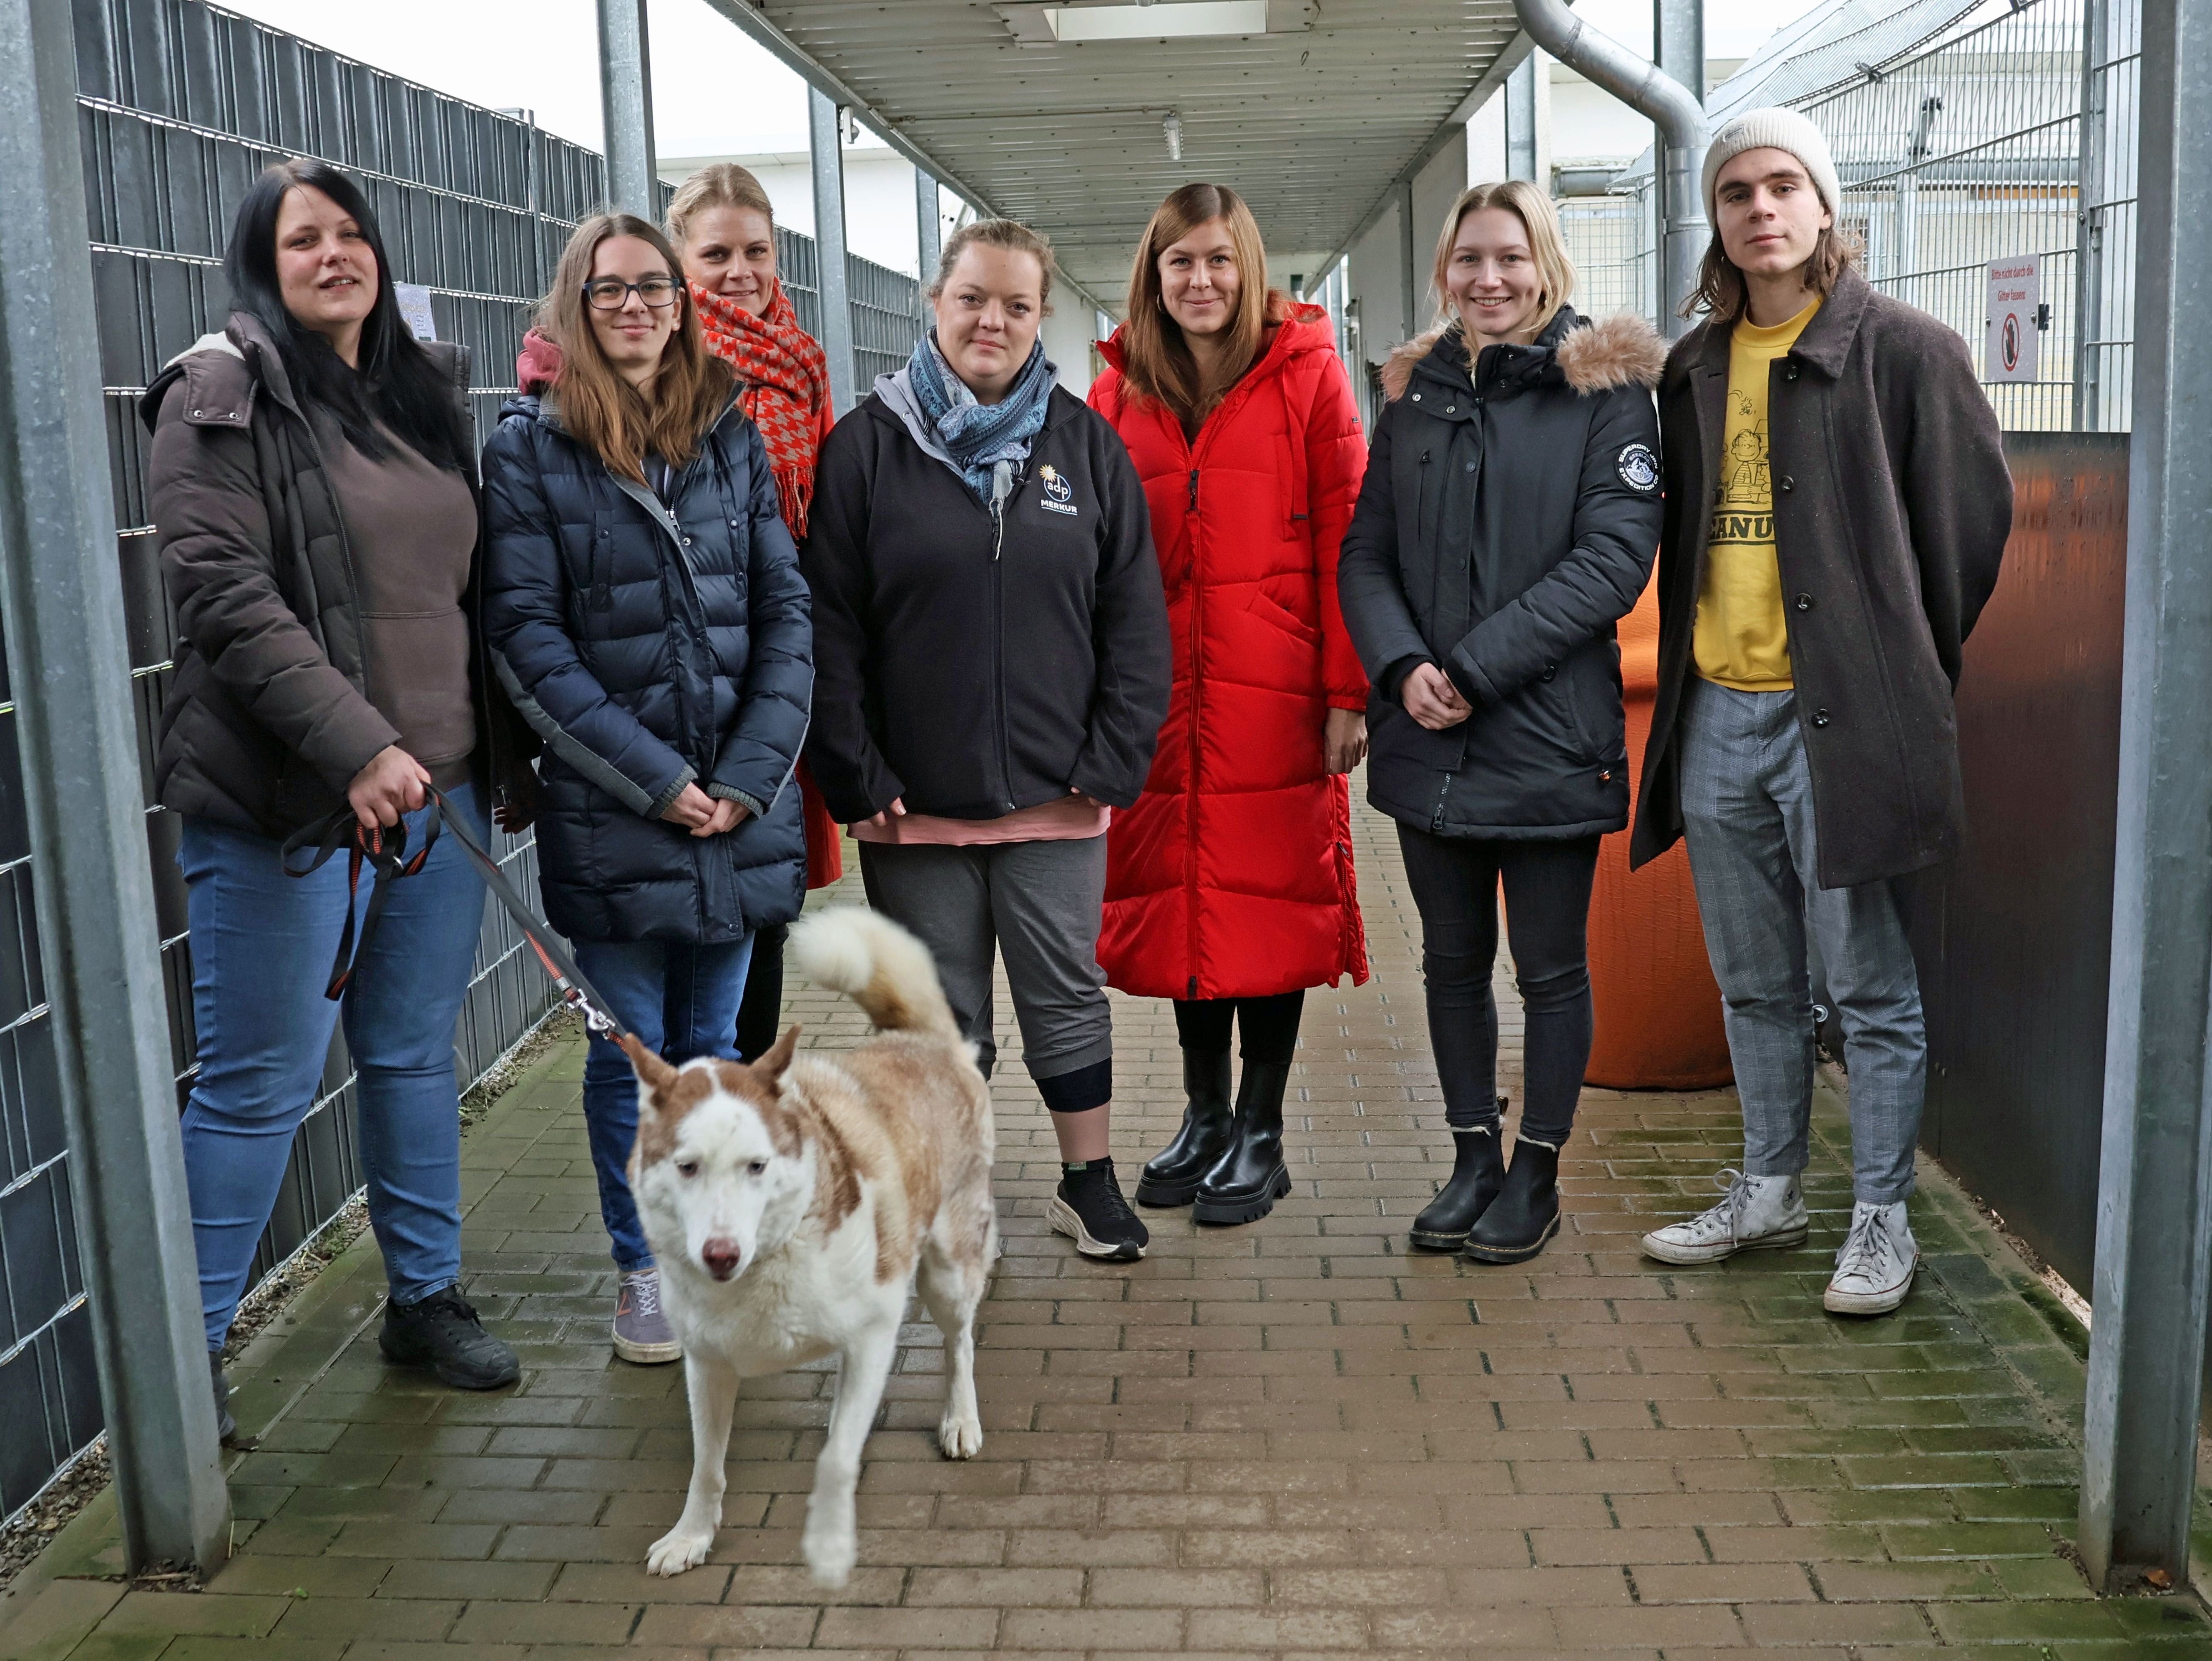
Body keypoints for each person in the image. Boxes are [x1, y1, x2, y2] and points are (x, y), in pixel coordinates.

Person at [144, 158, 533, 1436]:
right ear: (263, 261)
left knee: (416, 1053)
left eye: (351, 234)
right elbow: (222, 596)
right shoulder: (219, 393)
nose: (334, 255)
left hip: (440, 794)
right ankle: (183, 1372)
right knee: (258, 1081)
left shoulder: (416, 395)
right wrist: (360, 746)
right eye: (302, 239)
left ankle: (424, 1302)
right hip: (289, 804)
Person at [1632, 111, 2011, 1315]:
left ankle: (1882, 1219)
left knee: (1868, 984)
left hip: (1835, 720)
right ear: (1718, 219)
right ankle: (1770, 1187)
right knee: (1752, 978)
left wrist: (1884, 663)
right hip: (1717, 719)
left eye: (1783, 185)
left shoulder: (1904, 351)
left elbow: (1967, 533)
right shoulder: (1692, 366)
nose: (1760, 209)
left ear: (1824, 204)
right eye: (1736, 191)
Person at [805, 219, 1172, 1264]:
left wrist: (1112, 759)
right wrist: (856, 770)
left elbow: (1135, 619)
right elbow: (830, 625)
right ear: (936, 301)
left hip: (1058, 794)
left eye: (1016, 305)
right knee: (936, 1013)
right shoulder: (866, 447)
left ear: (1041, 316)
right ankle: (951, 1191)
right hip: (909, 803)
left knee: (1065, 988)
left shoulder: (1084, 443)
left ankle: (1086, 1182)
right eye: (973, 298)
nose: (993, 321)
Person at [482, 213, 812, 1362]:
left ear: (681, 304)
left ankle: (720, 1251)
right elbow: (527, 640)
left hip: (737, 810)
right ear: (577, 302)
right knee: (631, 1056)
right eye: (611, 289)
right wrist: (658, 779)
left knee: (715, 1047)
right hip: (614, 808)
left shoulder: (730, 433)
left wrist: (749, 777)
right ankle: (644, 1271)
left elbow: (787, 612)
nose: (636, 307)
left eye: (655, 289)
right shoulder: (528, 448)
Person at [1338, 181, 1665, 1264]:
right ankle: (1473, 1155)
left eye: (1511, 259)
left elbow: (1613, 559)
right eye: (1470, 259)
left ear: (1548, 266)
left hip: (1545, 737)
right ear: (1446, 272)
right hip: (1429, 735)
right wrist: (1400, 668)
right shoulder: (1417, 395)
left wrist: (1472, 669)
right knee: (1449, 961)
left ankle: (1537, 1172)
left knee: (1549, 970)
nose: (1490, 279)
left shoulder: (1605, 391)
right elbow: (1367, 554)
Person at [1087, 182, 1370, 1228]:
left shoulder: (1307, 377)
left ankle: (1262, 1128)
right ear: (1153, 278)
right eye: (1180, 263)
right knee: (1188, 906)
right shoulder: (1117, 395)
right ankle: (1205, 1116)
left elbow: (1350, 535)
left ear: (1247, 266)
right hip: (1157, 696)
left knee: (1267, 900)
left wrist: (1350, 689)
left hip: (1279, 689)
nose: (1200, 281)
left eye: (1217, 260)